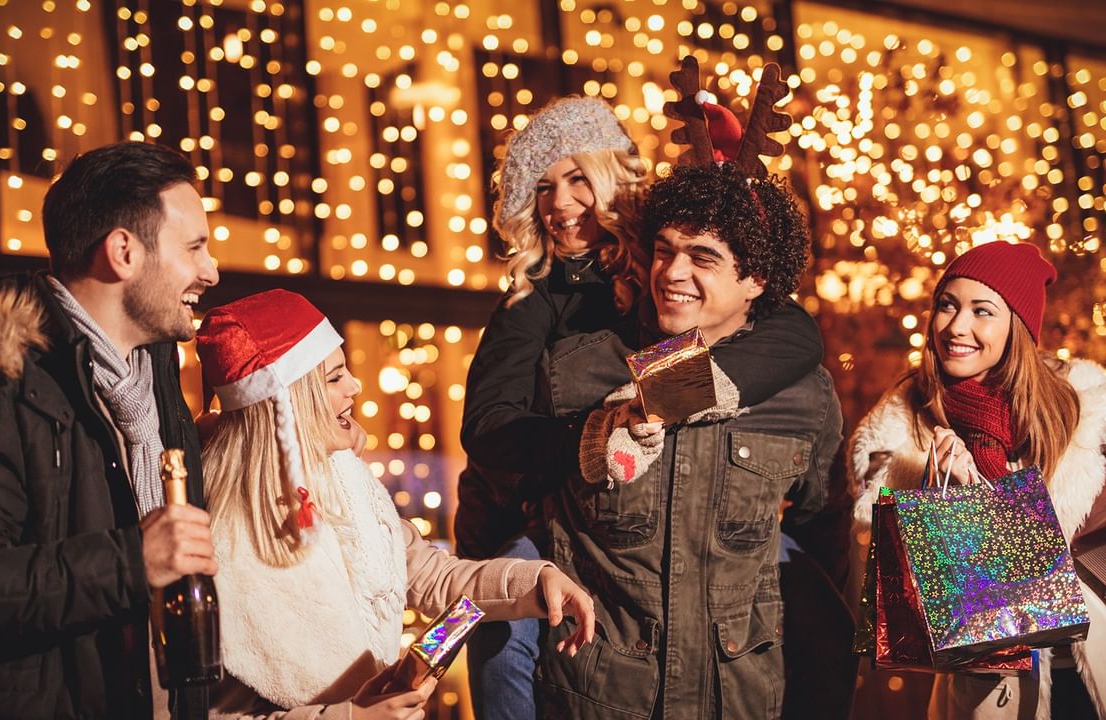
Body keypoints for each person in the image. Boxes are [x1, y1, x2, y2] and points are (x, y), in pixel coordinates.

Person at [457, 95, 827, 720]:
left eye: (576, 177)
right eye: (542, 187)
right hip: (527, 505)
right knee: (499, 615)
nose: (559, 204)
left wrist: (663, 397)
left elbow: (796, 332)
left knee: (807, 592)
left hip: (704, 574)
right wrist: (593, 436)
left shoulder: (680, 280)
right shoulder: (542, 295)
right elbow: (489, 429)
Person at [0, 142, 220, 719]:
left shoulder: (156, 377)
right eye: (194, 248)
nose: (210, 270)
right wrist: (133, 561)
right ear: (123, 252)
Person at [192, 290, 597, 720]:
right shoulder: (218, 543)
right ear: (286, 403)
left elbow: (432, 576)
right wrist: (351, 717)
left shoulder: (347, 481)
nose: (355, 386)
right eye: (333, 378)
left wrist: (537, 582)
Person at [535, 160, 845, 719]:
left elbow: (822, 544)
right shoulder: (577, 372)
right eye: (664, 249)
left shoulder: (803, 396)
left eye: (702, 257)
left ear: (756, 280)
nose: (673, 272)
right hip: (600, 697)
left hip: (741, 697)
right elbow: (517, 523)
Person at [849, 241, 1106, 720]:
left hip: (1090, 673)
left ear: (1018, 326)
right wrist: (947, 500)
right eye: (947, 304)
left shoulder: (1083, 411)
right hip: (987, 691)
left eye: (981, 310)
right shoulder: (903, 423)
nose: (957, 326)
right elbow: (881, 583)